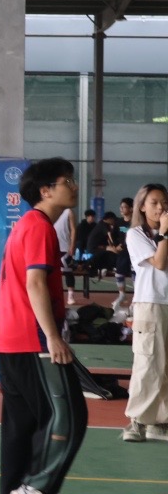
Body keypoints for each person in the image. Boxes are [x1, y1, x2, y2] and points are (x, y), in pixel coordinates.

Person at [0, 157, 86, 494]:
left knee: (22, 426)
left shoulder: (26, 224)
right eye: (67, 181)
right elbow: (35, 283)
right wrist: (52, 336)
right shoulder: (38, 227)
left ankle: (14, 488)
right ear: (46, 190)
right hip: (32, 339)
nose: (74, 186)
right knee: (69, 417)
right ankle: (35, 487)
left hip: (10, 338)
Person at [120, 183, 168, 443]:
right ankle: (137, 422)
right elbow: (159, 263)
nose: (161, 207)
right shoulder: (136, 235)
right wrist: (164, 234)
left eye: (164, 202)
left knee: (166, 366)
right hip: (151, 303)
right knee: (148, 362)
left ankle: (160, 422)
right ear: (141, 206)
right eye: (154, 202)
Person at [52, 208, 77, 306]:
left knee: (68, 272)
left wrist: (72, 245)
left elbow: (73, 229)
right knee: (52, 272)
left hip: (65, 246)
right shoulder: (51, 209)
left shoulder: (68, 212)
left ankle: (70, 295)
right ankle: (54, 295)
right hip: (53, 245)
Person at [115, 197, 135, 310]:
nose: (121, 209)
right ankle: (122, 295)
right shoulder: (119, 222)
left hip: (134, 251)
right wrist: (116, 246)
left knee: (135, 274)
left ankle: (136, 298)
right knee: (119, 273)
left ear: (131, 209)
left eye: (124, 207)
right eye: (121, 207)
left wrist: (123, 245)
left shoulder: (136, 222)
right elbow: (114, 236)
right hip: (123, 253)